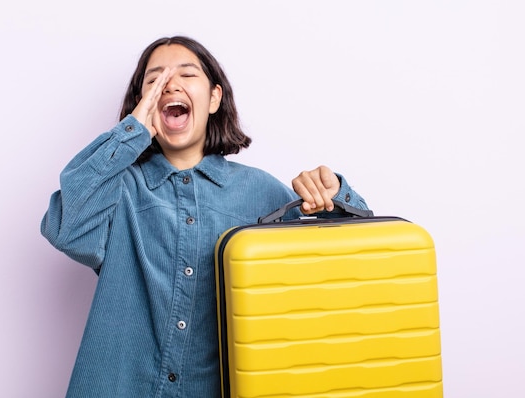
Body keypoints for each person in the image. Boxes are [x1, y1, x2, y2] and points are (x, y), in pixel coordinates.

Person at [41, 36, 369, 397]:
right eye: (154, 81)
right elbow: (66, 227)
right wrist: (130, 133)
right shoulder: (117, 189)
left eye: (186, 73)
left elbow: (347, 274)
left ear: (214, 98)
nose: (170, 84)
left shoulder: (264, 194)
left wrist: (334, 195)